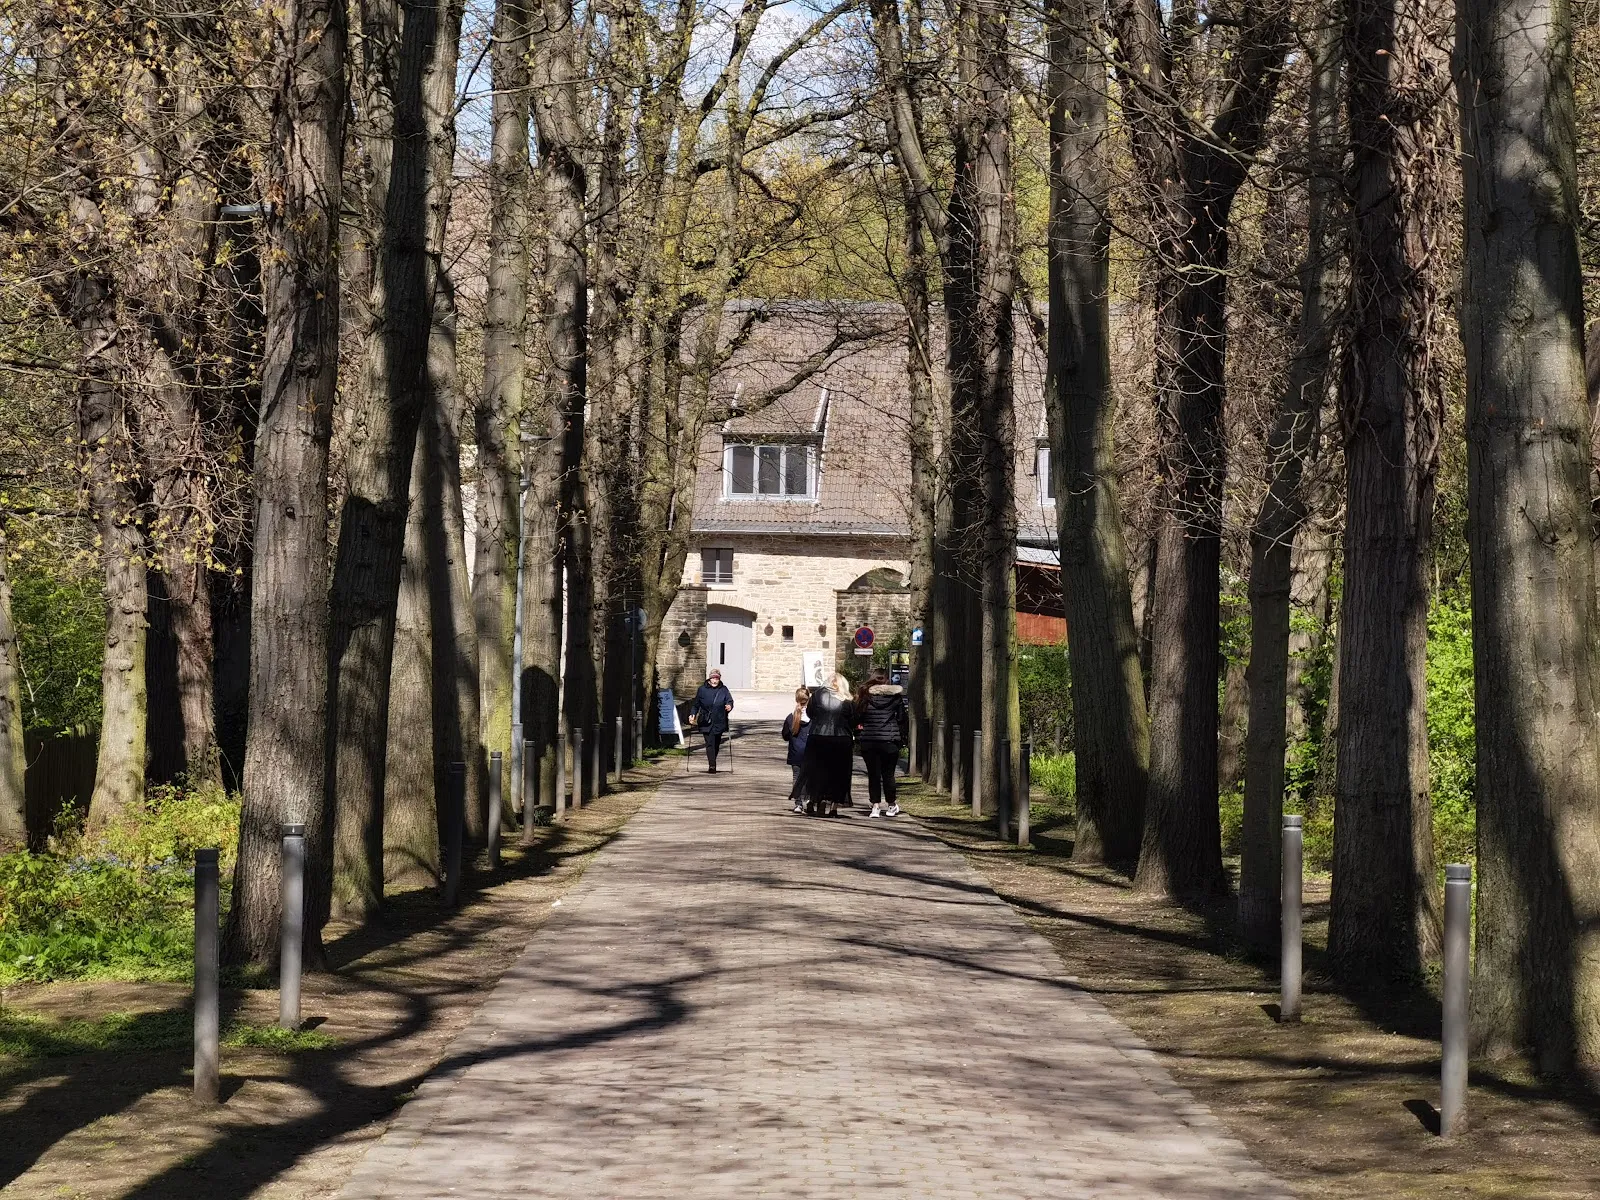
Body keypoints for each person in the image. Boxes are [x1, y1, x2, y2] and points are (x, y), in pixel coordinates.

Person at [854, 667, 908, 818]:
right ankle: (891, 805)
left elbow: (858, 717)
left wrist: (859, 733)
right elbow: (902, 719)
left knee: (873, 775)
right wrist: (902, 737)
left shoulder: (865, 697)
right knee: (888, 774)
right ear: (887, 680)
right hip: (889, 740)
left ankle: (875, 806)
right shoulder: (895, 697)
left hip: (869, 740)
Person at [800, 673, 855, 816]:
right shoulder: (847, 699)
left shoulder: (817, 696)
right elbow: (852, 719)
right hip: (841, 738)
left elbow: (810, 713)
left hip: (819, 736)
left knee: (816, 770)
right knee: (838, 773)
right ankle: (833, 806)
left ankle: (815, 799)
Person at [690, 669, 734, 772]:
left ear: (719, 679)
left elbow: (729, 700)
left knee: (716, 743)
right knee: (710, 743)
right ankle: (712, 765)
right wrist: (693, 714)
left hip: (719, 720)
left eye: (717, 678)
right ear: (709, 679)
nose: (715, 680)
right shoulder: (702, 689)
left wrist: (729, 706)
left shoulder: (723, 689)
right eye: (713, 678)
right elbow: (696, 704)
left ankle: (712, 761)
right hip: (706, 721)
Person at [781, 686, 811, 812]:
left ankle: (798, 804)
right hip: (810, 752)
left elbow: (785, 736)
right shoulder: (813, 717)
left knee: (797, 778)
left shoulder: (791, 717)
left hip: (796, 752)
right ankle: (809, 800)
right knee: (809, 778)